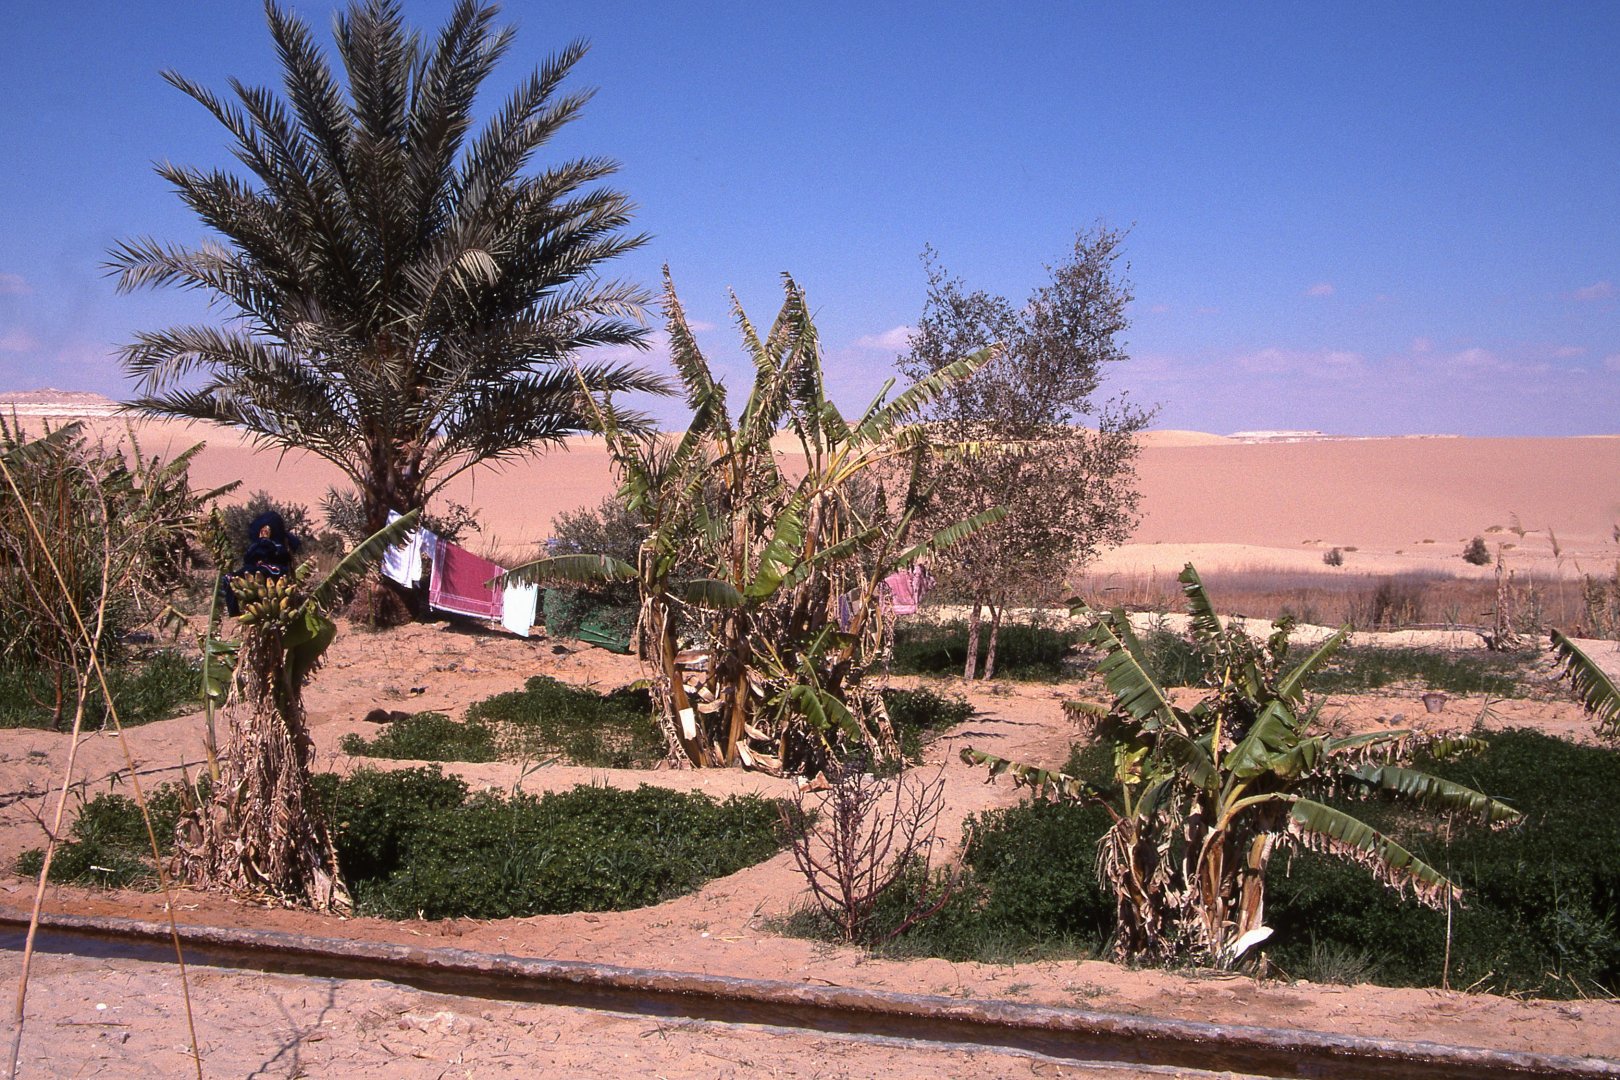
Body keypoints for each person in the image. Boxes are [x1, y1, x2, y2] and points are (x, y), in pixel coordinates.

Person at [221, 511, 302, 616]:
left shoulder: (280, 543)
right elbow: (248, 558)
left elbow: (276, 555)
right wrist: (261, 542)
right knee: (228, 578)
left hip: (275, 572)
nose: (265, 531)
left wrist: (265, 541)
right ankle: (234, 612)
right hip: (256, 569)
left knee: (258, 573)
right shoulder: (257, 543)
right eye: (263, 529)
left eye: (267, 529)